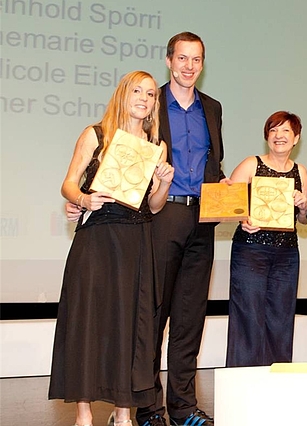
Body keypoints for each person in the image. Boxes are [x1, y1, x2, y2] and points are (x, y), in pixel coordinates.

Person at [49, 70, 174, 426]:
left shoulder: (157, 146)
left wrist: (165, 183)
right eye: (137, 91)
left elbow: (154, 205)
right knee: (88, 321)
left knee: (130, 326)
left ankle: (123, 414)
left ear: (154, 105)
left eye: (150, 94)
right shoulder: (96, 135)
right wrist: (85, 200)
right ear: (123, 94)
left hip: (137, 242)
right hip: (98, 239)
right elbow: (69, 185)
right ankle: (84, 414)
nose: (144, 98)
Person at [137, 31, 225, 426]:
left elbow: (213, 162)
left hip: (202, 219)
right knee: (153, 314)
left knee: (190, 317)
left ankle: (184, 406)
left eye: (197, 59)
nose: (190, 66)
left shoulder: (213, 107)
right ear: (169, 61)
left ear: (202, 64)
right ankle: (147, 406)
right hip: (160, 216)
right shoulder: (150, 104)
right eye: (183, 59)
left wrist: (222, 188)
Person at [224, 111, 307, 367]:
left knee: (282, 319)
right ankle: (242, 381)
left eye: (285, 131)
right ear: (266, 136)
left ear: (296, 138)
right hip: (250, 250)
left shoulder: (301, 172)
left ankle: (276, 381)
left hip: (287, 254)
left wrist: (304, 204)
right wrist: (243, 219)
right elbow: (230, 204)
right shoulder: (252, 164)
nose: (279, 136)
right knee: (247, 317)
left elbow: (304, 219)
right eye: (273, 130)